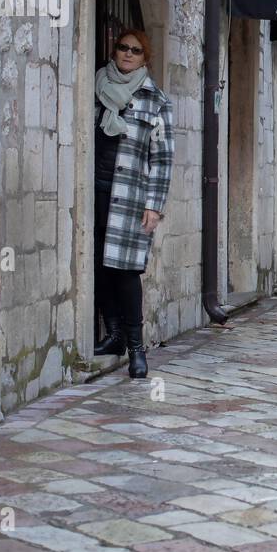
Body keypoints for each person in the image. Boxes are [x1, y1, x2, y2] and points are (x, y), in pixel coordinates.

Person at [92, 29, 174, 380]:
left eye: (135, 51)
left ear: (145, 58)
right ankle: (112, 336)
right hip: (96, 187)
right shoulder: (96, 86)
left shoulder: (156, 101)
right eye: (122, 48)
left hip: (130, 195)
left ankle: (136, 347)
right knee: (99, 265)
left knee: (126, 271)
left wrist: (154, 206)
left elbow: (163, 158)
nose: (127, 54)